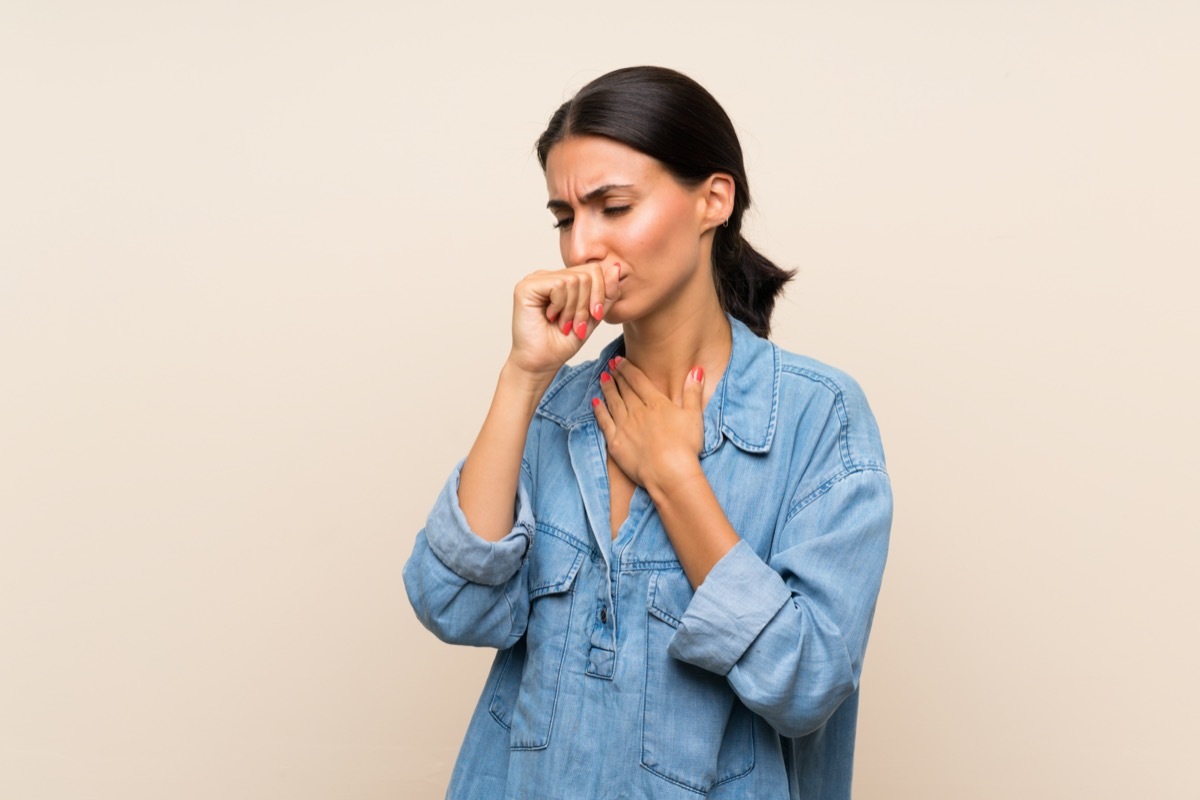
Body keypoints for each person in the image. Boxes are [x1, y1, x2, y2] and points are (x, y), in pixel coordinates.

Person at [403, 65, 892, 800]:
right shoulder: (554, 408)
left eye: (614, 206)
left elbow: (808, 684)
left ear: (713, 200)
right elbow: (454, 606)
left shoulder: (817, 418)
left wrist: (674, 477)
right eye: (566, 217)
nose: (581, 248)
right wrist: (521, 376)